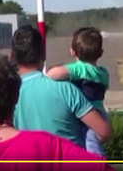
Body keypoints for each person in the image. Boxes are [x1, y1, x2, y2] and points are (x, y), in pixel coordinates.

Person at [11, 25, 112, 149]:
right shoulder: (67, 90)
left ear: (12, 56)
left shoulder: (7, 95)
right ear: (43, 54)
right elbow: (104, 131)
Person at [45, 27, 110, 157]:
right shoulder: (103, 73)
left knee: (91, 144)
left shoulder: (80, 69)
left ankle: (98, 168)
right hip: (100, 114)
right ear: (101, 52)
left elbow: (52, 75)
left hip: (88, 115)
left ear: (73, 52)